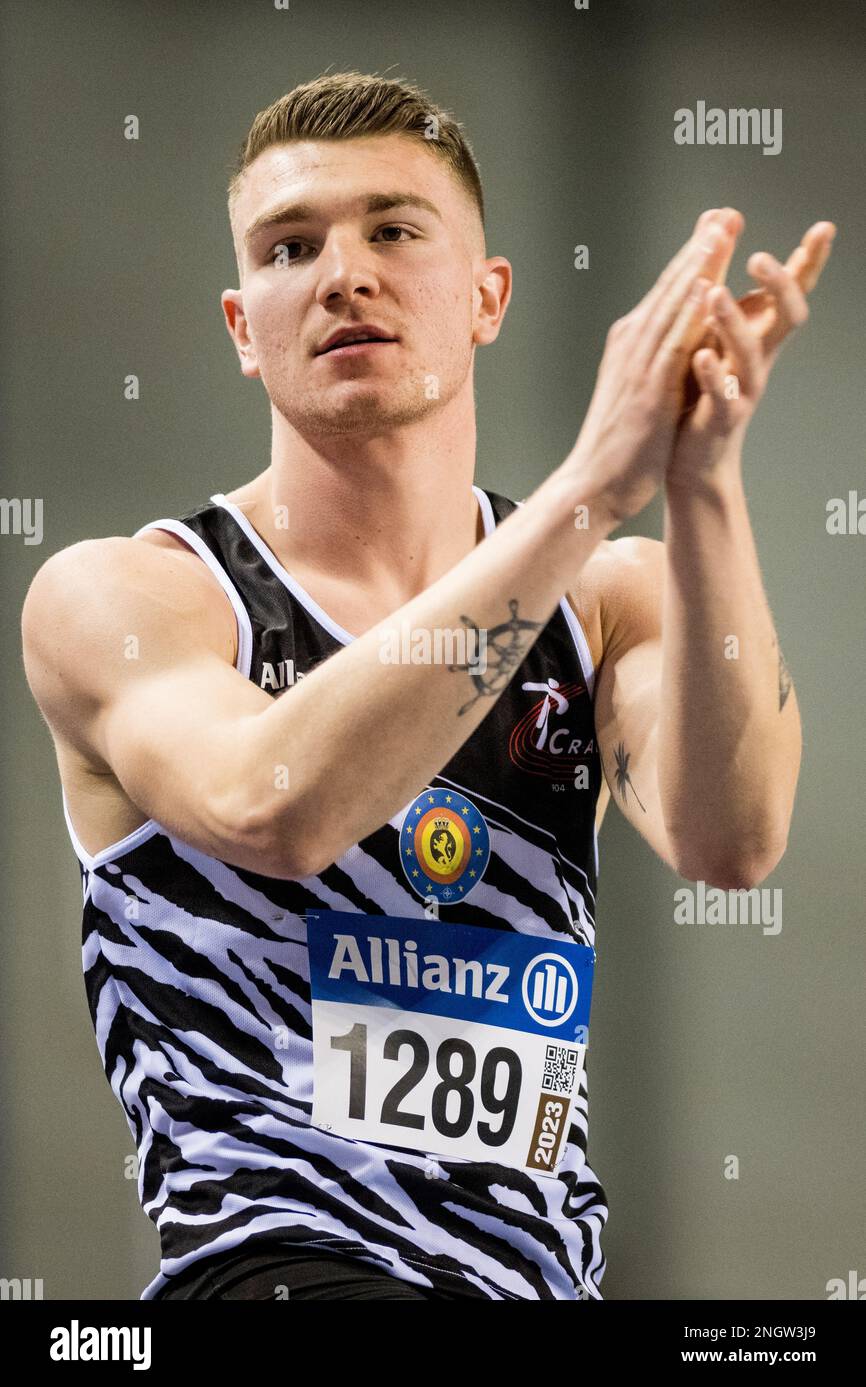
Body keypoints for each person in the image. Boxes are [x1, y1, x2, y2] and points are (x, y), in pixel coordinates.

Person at [20, 71, 834, 1301]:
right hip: (276, 1267)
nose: (342, 272)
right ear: (243, 327)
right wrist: (585, 492)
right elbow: (270, 806)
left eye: (393, 230)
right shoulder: (131, 602)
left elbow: (733, 843)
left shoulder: (609, 597)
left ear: (485, 297)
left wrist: (701, 480)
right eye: (291, 247)